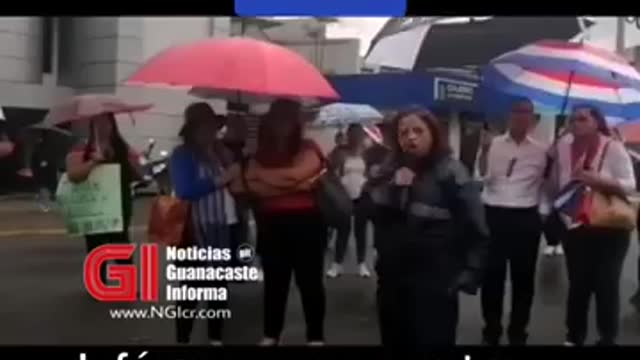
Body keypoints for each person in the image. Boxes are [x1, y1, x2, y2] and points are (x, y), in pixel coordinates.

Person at [368, 108, 490, 348]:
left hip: (436, 279)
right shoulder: (389, 169)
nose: (411, 137)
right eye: (404, 132)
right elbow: (371, 213)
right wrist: (393, 187)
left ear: (433, 134)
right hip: (394, 279)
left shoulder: (451, 171)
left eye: (418, 131)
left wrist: (469, 271)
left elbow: (476, 226)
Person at [230, 99, 327, 346]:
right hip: (271, 224)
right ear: (269, 121)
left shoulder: (309, 148)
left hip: (308, 224)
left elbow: (298, 174)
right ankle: (271, 333)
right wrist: (293, 185)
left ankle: (315, 336)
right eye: (278, 118)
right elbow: (252, 185)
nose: (283, 124)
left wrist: (264, 178)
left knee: (310, 283)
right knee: (275, 283)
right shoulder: (259, 153)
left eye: (289, 118)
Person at [547, 105, 636, 345]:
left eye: (583, 119)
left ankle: (607, 338)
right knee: (578, 284)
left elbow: (630, 185)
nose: (577, 123)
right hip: (575, 225)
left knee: (606, 284)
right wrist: (552, 163)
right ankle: (574, 336)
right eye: (573, 119)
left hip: (609, 226)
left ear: (597, 122)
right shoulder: (562, 146)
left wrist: (598, 180)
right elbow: (559, 184)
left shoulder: (613, 147)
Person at [476, 98, 550, 346]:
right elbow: (482, 176)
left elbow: (547, 184)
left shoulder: (542, 150)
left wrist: (542, 212)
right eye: (518, 112)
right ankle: (492, 328)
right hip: (494, 214)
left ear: (533, 118)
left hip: (525, 218)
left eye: (527, 113)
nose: (522, 117)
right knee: (492, 277)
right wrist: (485, 151)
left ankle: (518, 330)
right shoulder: (494, 144)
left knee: (523, 279)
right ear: (510, 115)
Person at [169, 102, 239, 346]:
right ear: (193, 129)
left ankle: (215, 337)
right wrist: (221, 179)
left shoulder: (219, 152)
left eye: (213, 126)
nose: (211, 132)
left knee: (219, 286)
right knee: (192, 288)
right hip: (194, 230)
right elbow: (185, 190)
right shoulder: (183, 155)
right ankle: (183, 338)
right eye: (206, 127)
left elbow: (235, 184)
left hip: (223, 226)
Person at [65, 113, 144, 284]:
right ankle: (97, 283)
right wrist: (94, 162)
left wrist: (130, 161)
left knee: (121, 244)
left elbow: (139, 175)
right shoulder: (83, 149)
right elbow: (73, 175)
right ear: (91, 127)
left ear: (113, 126)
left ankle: (127, 283)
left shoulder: (123, 148)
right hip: (94, 207)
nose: (102, 127)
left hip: (119, 206)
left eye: (106, 122)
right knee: (96, 245)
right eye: (97, 123)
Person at [325, 124, 372, 278]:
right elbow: (329, 171)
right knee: (343, 230)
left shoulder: (366, 153)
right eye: (353, 134)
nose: (356, 137)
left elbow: (372, 172)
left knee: (360, 231)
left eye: (359, 134)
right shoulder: (340, 152)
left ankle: (361, 264)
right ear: (349, 135)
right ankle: (337, 265)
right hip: (343, 196)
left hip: (362, 195)